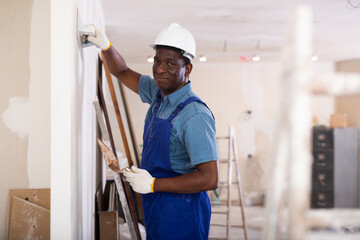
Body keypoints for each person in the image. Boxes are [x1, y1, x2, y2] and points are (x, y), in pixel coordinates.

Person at [89, 23, 219, 240]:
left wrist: (152, 184)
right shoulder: (159, 95)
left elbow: (210, 178)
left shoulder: (194, 114)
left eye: (170, 63)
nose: (160, 69)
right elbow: (121, 71)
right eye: (157, 61)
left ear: (187, 69)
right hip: (157, 206)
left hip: (183, 213)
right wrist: (106, 46)